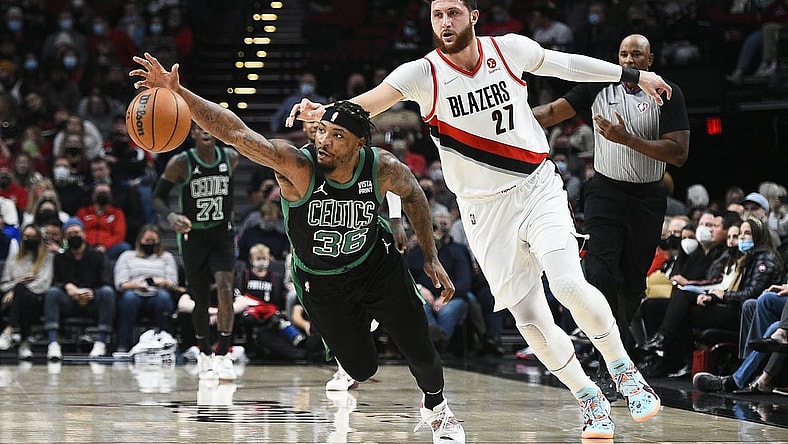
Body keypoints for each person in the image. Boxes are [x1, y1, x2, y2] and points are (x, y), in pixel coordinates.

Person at [286, 0, 672, 439]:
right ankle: (588, 398)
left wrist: (634, 75)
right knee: (530, 320)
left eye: (453, 12)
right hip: (483, 211)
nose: (444, 23)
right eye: (437, 15)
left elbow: (567, 65)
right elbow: (367, 104)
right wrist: (323, 112)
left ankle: (624, 372)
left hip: (536, 187)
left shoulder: (509, 50)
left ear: (472, 15)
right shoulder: (423, 73)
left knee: (566, 282)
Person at [131, 55, 465, 443]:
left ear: (360, 143)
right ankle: (357, 337)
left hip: (375, 265)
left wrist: (429, 255)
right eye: (321, 131)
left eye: (337, 136)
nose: (323, 140)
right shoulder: (297, 166)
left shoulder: (382, 166)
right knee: (361, 366)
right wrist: (179, 94)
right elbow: (237, 134)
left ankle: (438, 410)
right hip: (321, 281)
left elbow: (414, 197)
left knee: (420, 349)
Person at [532, 33, 690, 395]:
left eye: (637, 54)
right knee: (600, 271)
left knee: (632, 284)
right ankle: (614, 362)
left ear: (650, 60)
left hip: (647, 198)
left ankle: (620, 353)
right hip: (605, 191)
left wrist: (627, 139)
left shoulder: (669, 94)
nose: (629, 60)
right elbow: (555, 111)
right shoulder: (598, 84)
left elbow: (679, 153)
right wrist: (513, 120)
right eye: (623, 54)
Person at [152, 122, 240, 382]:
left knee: (225, 290)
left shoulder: (231, 158)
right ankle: (204, 353)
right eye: (200, 127)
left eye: (210, 127)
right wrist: (170, 216)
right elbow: (157, 197)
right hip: (194, 236)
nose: (205, 131)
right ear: (192, 134)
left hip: (222, 234)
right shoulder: (181, 162)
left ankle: (223, 354)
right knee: (200, 300)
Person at [43, 217, 116, 360]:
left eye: (76, 233)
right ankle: (53, 344)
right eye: (70, 234)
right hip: (69, 301)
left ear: (84, 234)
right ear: (65, 237)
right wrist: (67, 286)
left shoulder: (98, 256)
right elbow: (55, 281)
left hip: (92, 302)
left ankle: (101, 342)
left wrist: (93, 292)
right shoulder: (60, 258)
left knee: (107, 292)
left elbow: (107, 282)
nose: (73, 237)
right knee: (52, 293)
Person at [113, 224, 178, 353]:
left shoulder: (166, 257)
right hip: (134, 292)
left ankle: (166, 343)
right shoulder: (127, 256)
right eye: (147, 241)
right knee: (129, 299)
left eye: (153, 241)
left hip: (158, 293)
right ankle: (123, 345)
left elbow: (173, 282)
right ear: (140, 241)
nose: (150, 244)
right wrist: (136, 285)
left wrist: (162, 282)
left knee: (164, 298)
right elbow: (120, 283)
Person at [0, 224, 55, 359]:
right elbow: (4, 285)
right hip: (13, 302)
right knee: (21, 294)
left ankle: (9, 330)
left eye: (32, 237)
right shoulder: (14, 258)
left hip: (38, 300)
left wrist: (17, 290)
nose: (28, 239)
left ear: (39, 238)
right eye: (25, 236)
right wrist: (17, 285)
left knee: (23, 294)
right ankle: (24, 343)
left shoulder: (47, 257)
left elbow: (44, 283)